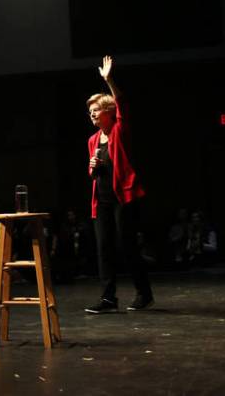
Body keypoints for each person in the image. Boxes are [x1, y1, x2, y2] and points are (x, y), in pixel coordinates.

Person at [84, 56, 154, 313]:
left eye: (96, 110)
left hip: (121, 197)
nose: (91, 114)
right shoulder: (93, 140)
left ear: (108, 112)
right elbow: (94, 173)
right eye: (90, 111)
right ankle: (108, 298)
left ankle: (144, 293)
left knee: (127, 245)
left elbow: (122, 102)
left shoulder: (119, 131)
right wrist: (92, 168)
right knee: (103, 248)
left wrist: (108, 79)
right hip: (100, 199)